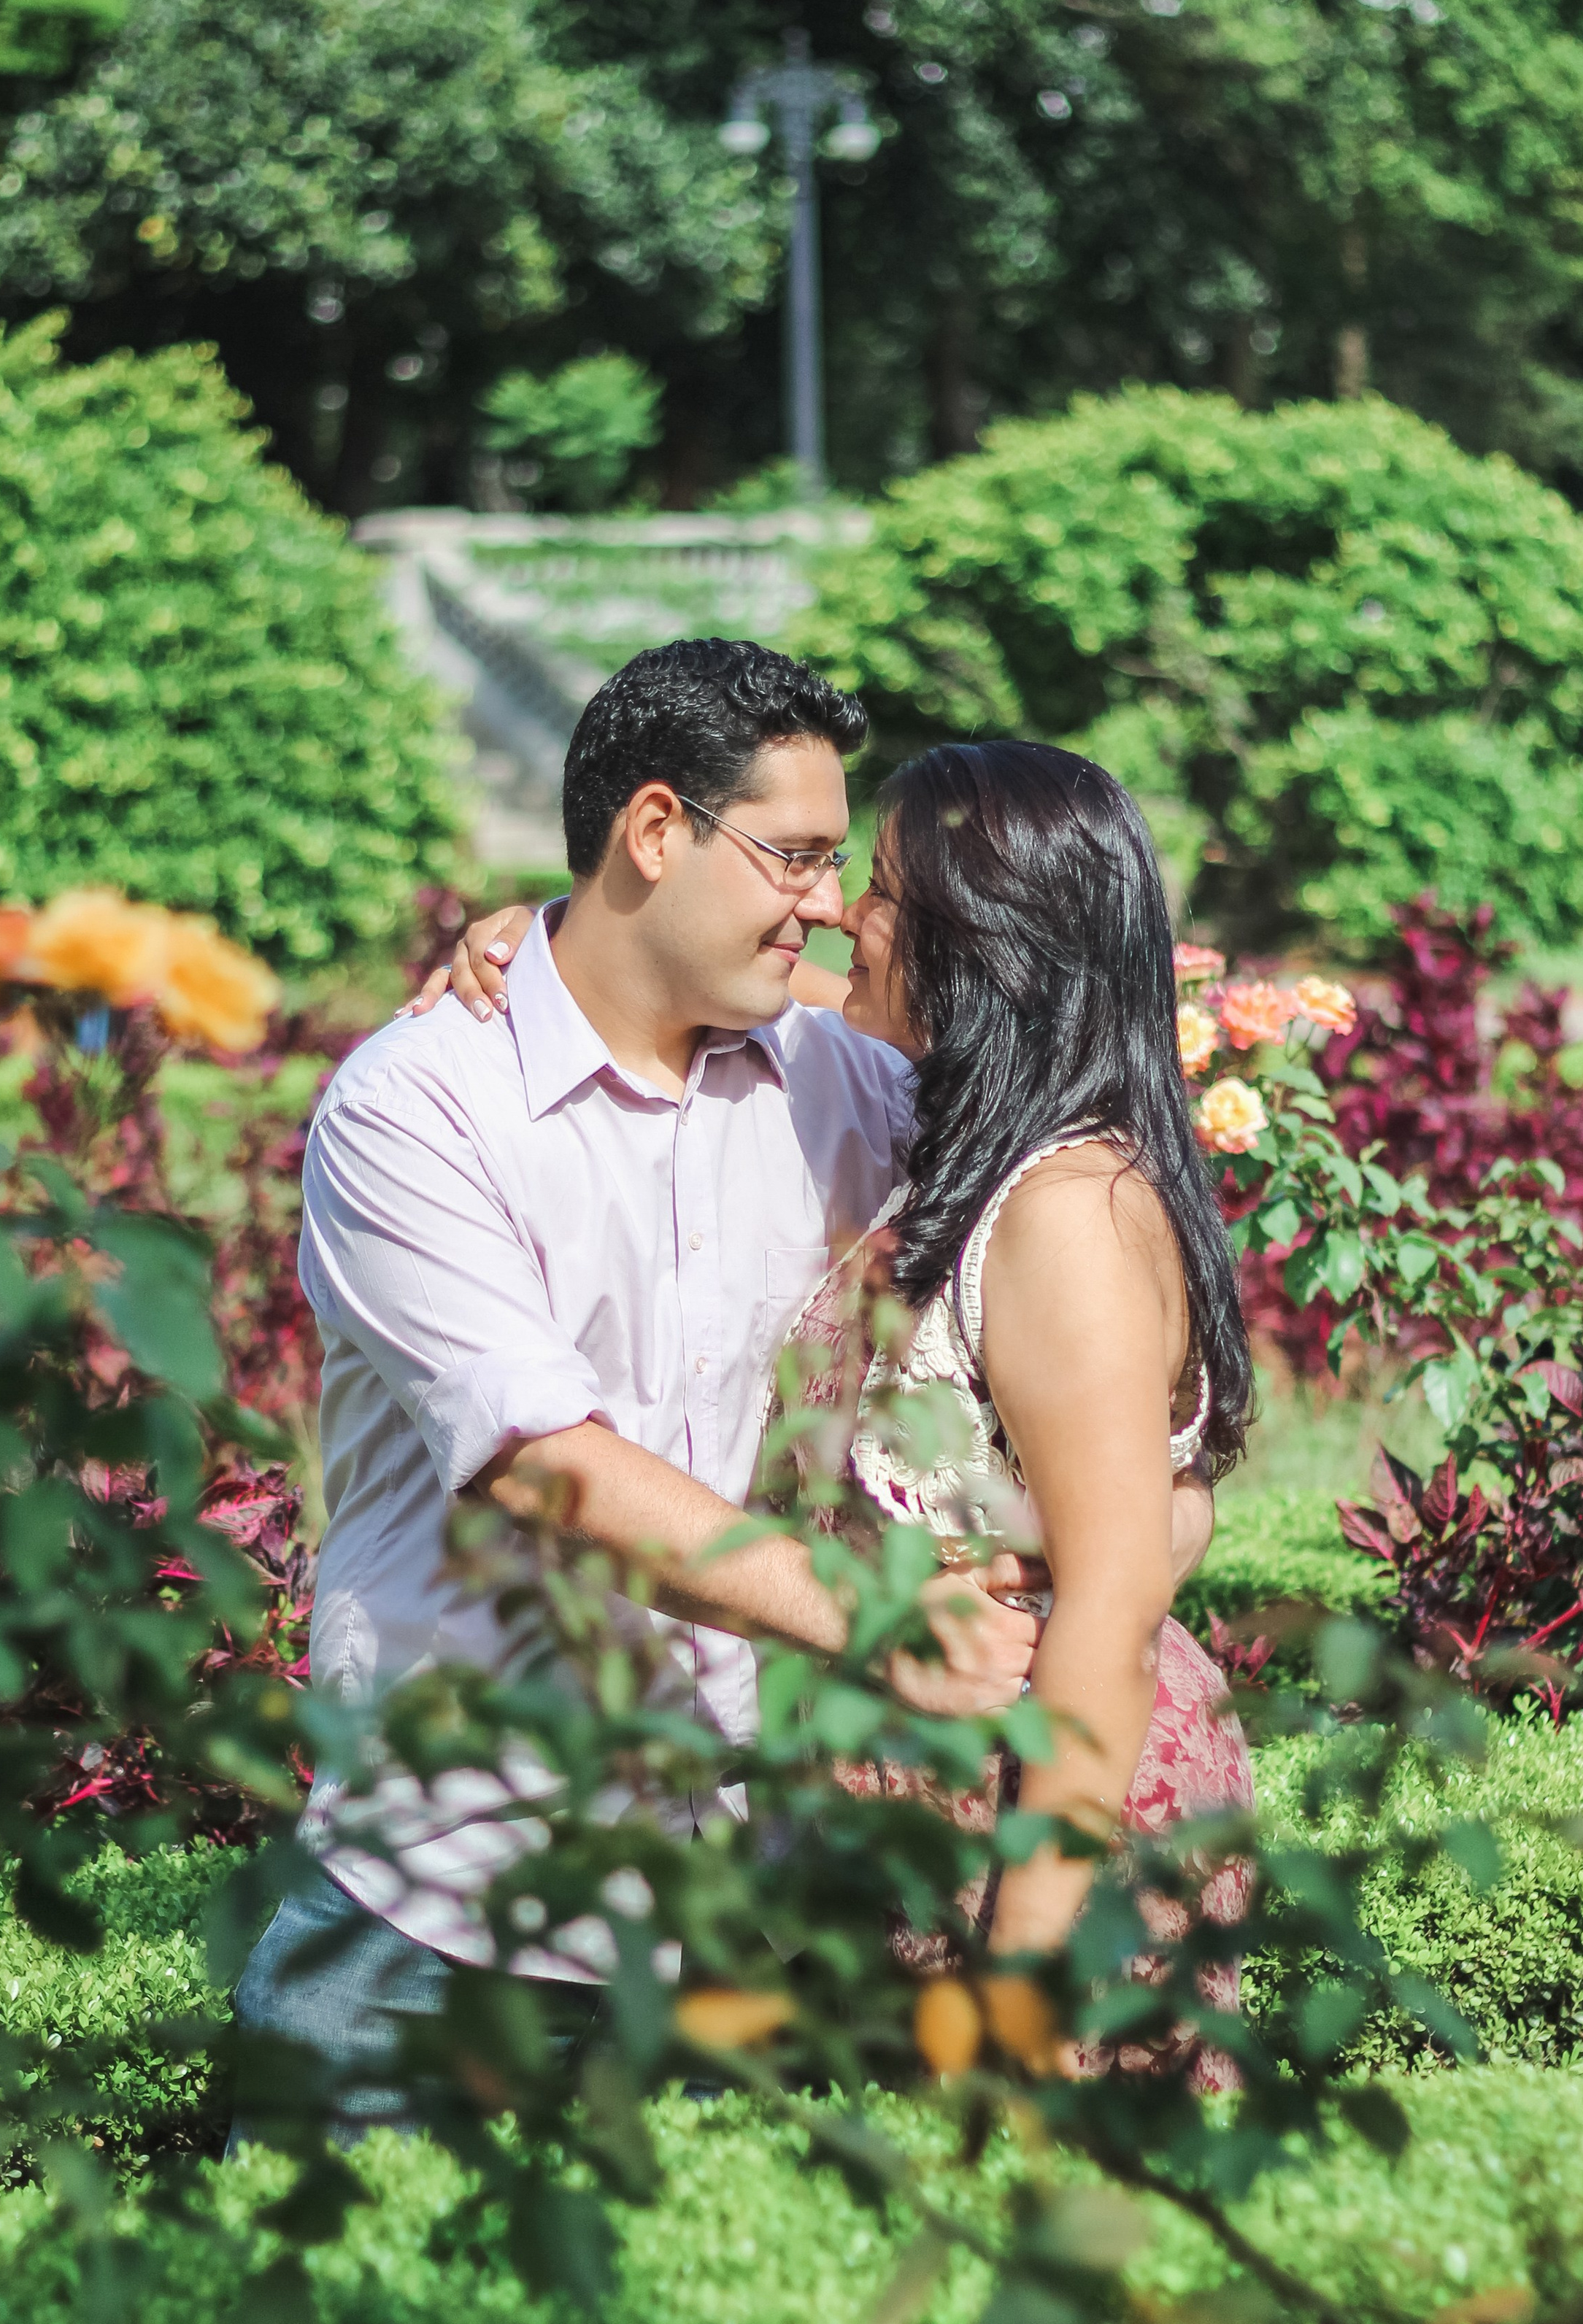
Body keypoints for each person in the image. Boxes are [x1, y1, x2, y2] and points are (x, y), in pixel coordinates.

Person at [229, 639, 1050, 2139]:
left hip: (698, 1901)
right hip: (433, 1913)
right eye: (796, 858)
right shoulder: (416, 1106)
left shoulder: (826, 1082)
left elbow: (1062, 1158)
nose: (826, 906)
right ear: (655, 831)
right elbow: (546, 1465)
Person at [437, 738, 1253, 2086]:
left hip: (1040, 1858)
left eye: (875, 888)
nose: (838, 917)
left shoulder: (1064, 1214)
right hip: (923, 1846)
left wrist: (1026, 1986)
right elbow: (791, 981)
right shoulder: (988, 1138)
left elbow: (1109, 1612)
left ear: (982, 941)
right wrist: (561, 947)